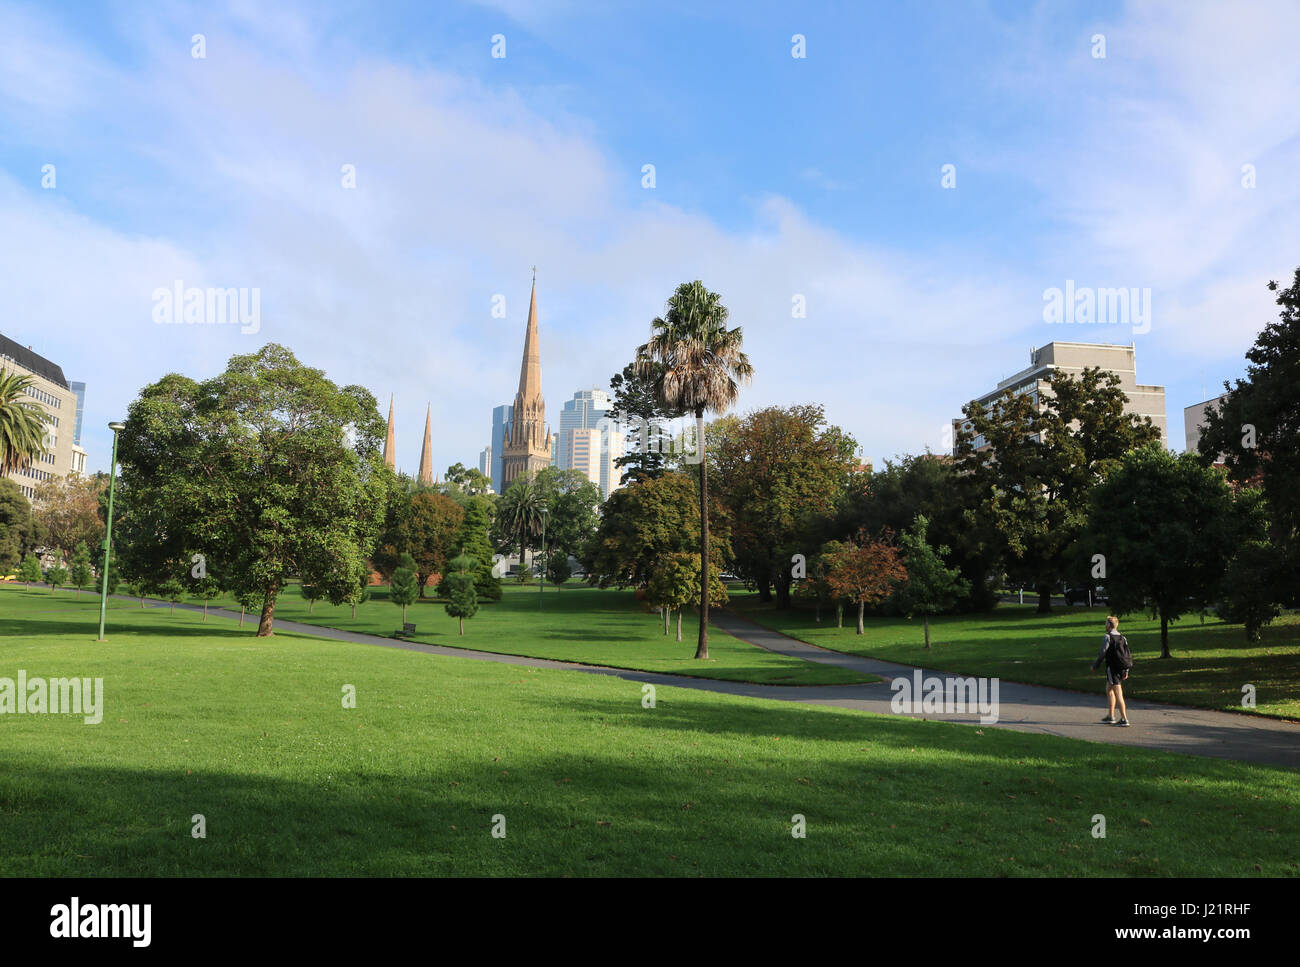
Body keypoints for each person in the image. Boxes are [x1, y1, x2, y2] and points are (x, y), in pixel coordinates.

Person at [1092, 615, 1130, 726]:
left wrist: (1095, 666)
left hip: (1112, 669)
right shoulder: (1123, 638)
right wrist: (1126, 670)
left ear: (1109, 625)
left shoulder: (1108, 637)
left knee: (1118, 693)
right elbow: (1127, 655)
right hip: (1121, 668)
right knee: (1109, 689)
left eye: (1106, 623)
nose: (1105, 625)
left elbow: (1102, 653)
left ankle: (1124, 719)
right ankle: (1111, 716)